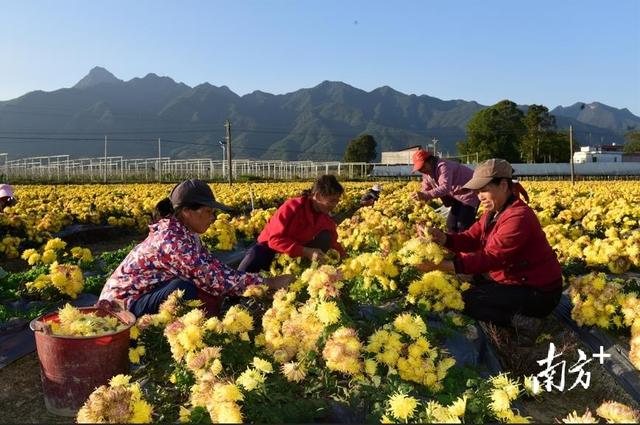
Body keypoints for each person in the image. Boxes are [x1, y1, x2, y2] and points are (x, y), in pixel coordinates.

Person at [416, 159, 563, 341]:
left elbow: (491, 258)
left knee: (466, 300)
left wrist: (440, 265)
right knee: (466, 283)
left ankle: (525, 323)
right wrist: (442, 237)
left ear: (503, 185)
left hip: (539, 292)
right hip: (513, 279)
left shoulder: (518, 217)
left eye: (484, 190)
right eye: (477, 191)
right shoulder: (494, 212)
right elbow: (470, 238)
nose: (479, 196)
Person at [100, 179, 293, 317]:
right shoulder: (173, 241)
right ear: (186, 211)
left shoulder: (184, 234)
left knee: (198, 290)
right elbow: (213, 278)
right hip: (119, 309)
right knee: (183, 291)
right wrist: (268, 283)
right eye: (208, 211)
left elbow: (212, 267)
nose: (212, 217)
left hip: (141, 298)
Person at [238, 174, 347, 273]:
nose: (334, 205)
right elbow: (274, 240)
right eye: (332, 201)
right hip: (269, 249)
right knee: (249, 265)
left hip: (295, 254)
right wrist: (306, 251)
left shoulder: (325, 218)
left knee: (325, 237)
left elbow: (333, 243)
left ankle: (305, 274)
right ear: (317, 196)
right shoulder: (293, 207)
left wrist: (346, 260)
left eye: (337, 201)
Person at [410, 149, 479, 232]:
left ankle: (470, 243)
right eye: (419, 169)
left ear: (430, 161)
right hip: (458, 196)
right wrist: (421, 197)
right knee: (451, 225)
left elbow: (445, 188)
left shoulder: (443, 166)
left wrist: (425, 195)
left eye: (423, 167)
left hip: (470, 192)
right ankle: (454, 244)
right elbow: (426, 188)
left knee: (463, 225)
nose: (421, 170)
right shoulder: (427, 173)